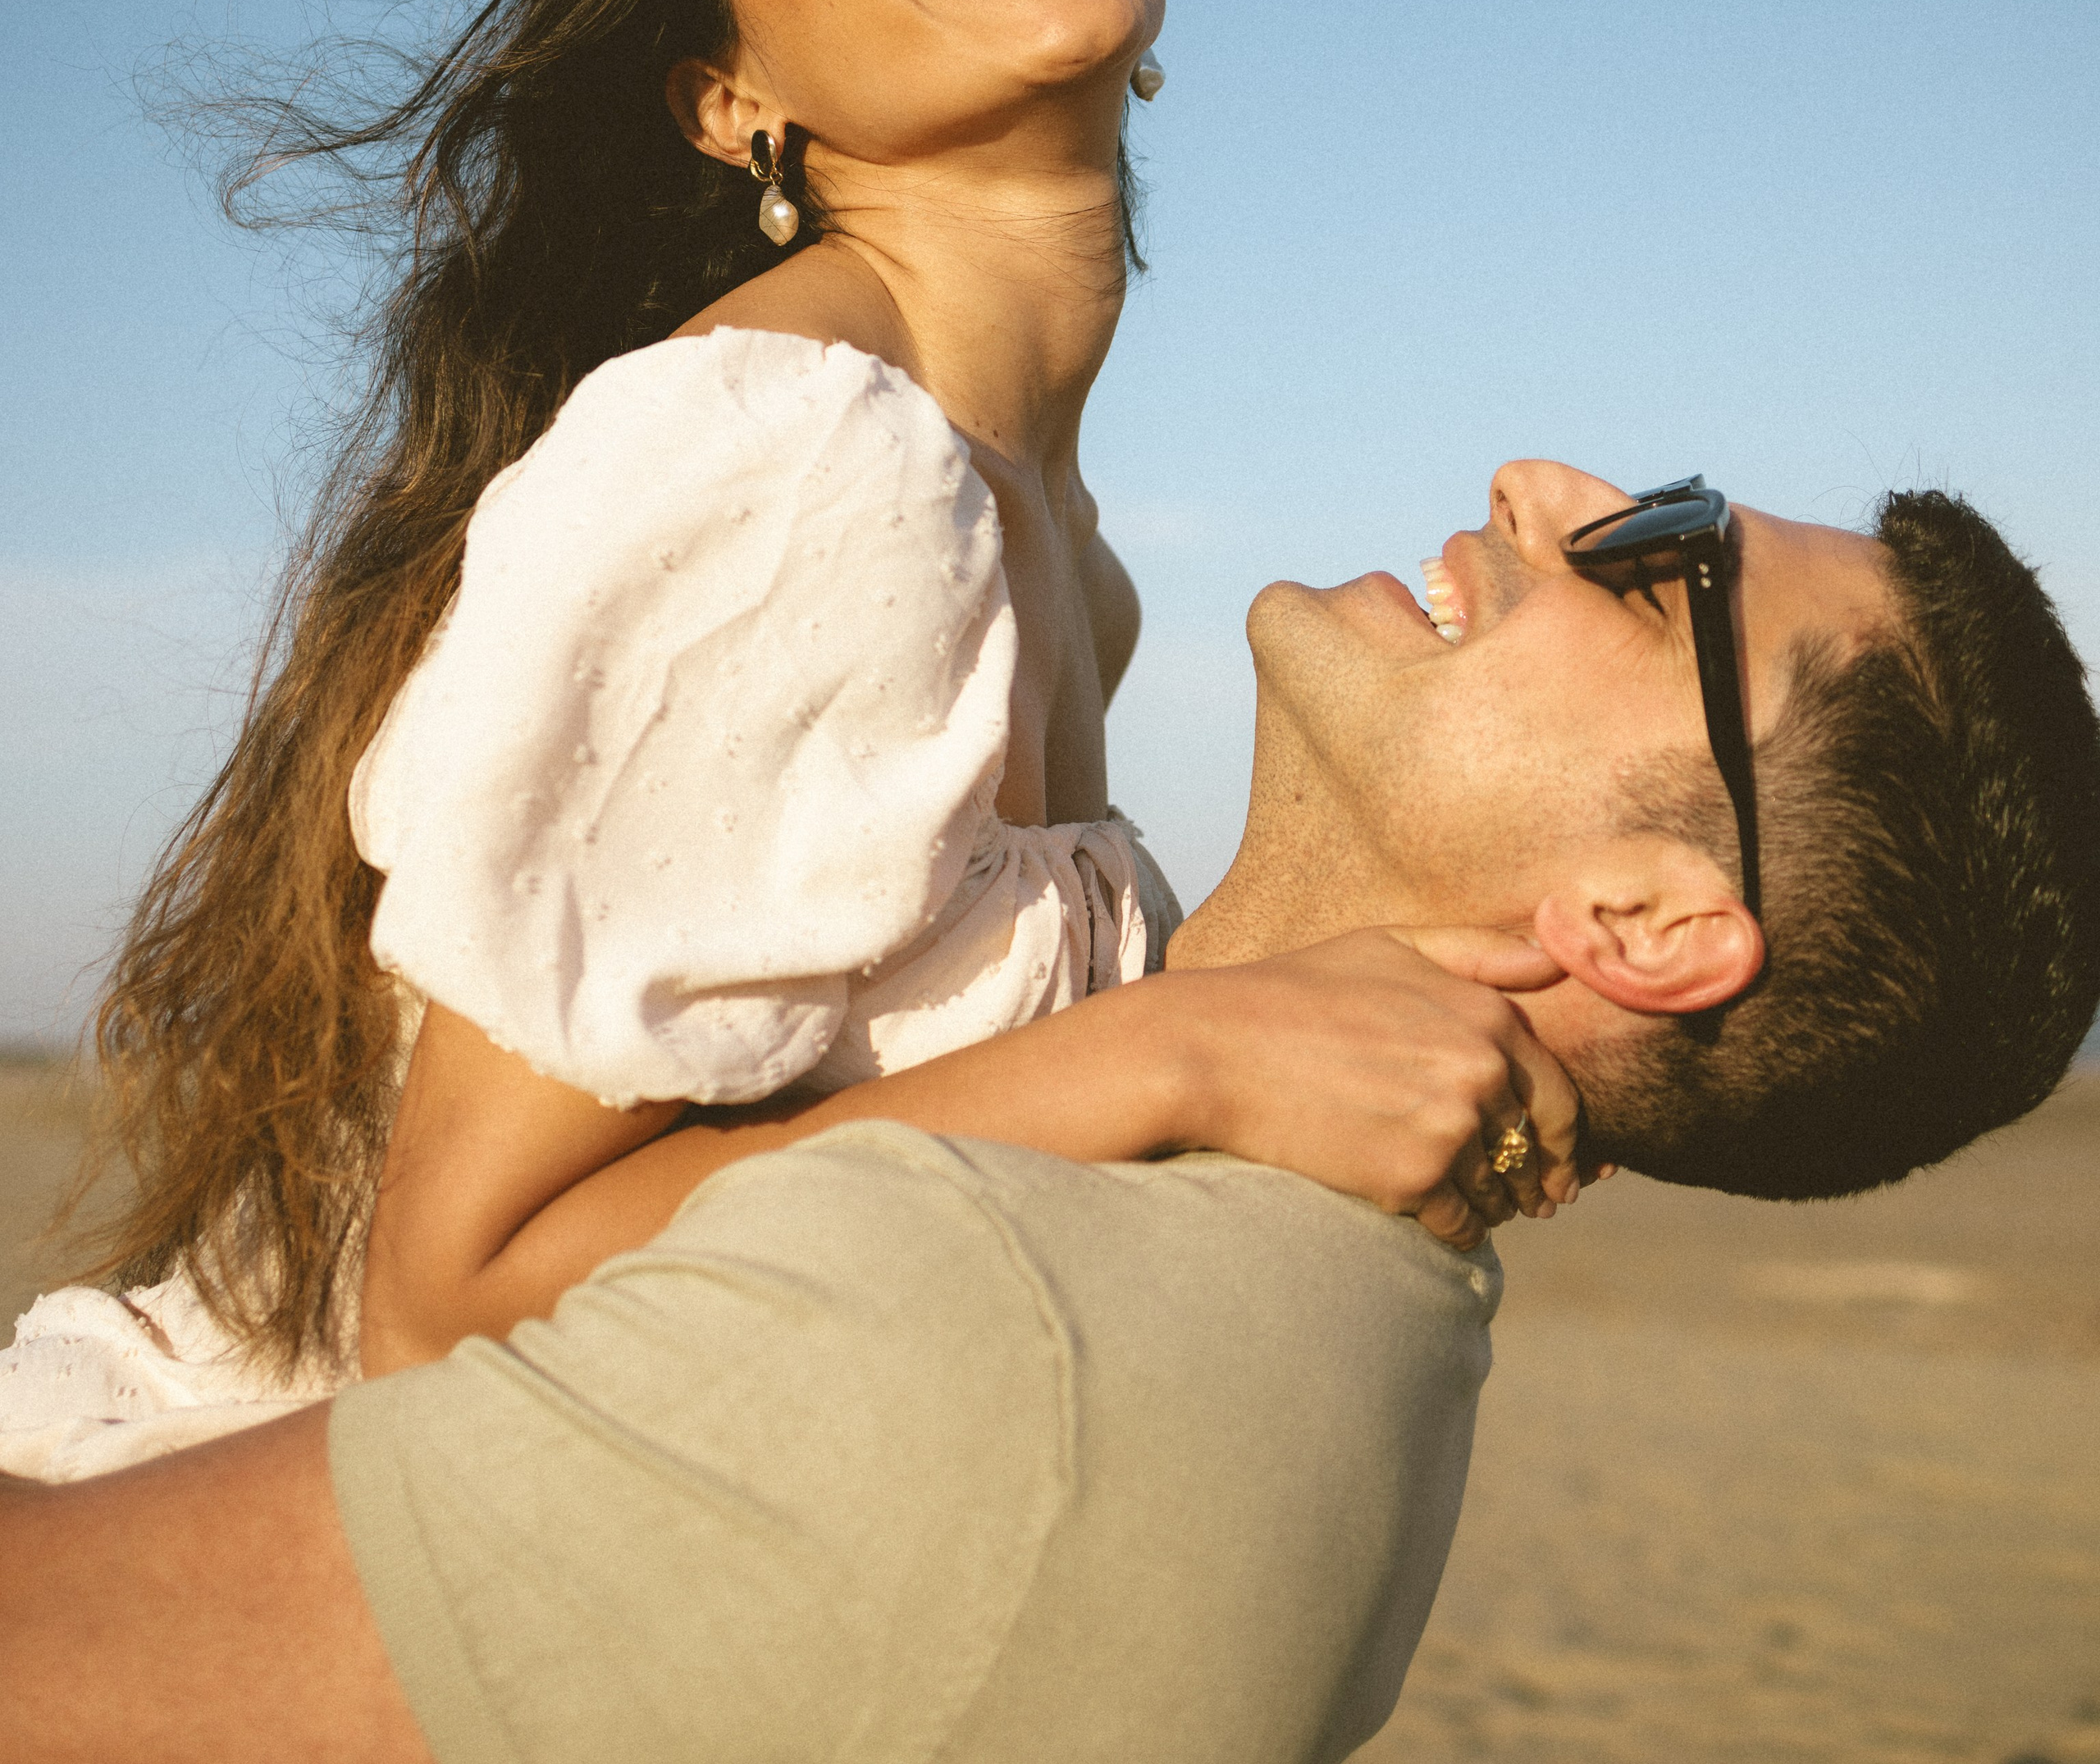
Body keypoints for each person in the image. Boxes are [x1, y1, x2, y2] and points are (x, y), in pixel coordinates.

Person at [0, 0, 1581, 1484]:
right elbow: (457, 1297)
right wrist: (1191, 1057)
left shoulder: (1070, 554)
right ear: (728, 98)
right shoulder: (802, 457)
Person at [7, 454, 2096, 1764]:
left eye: (1662, 565)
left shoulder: (1017, 1330)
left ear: (1641, 919)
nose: (1545, 485)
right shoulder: (1216, 1222)